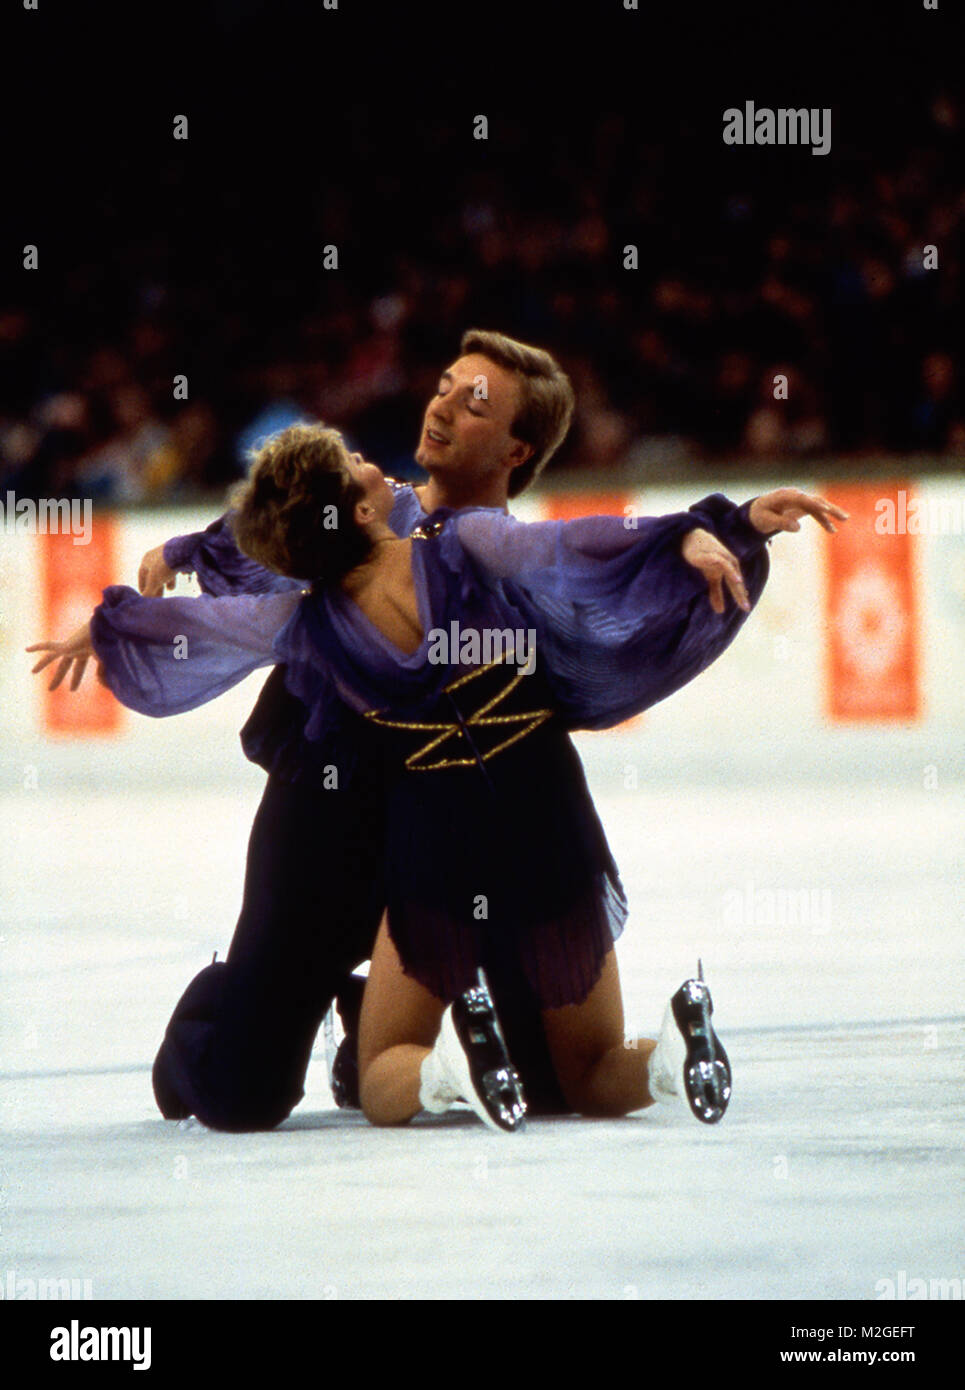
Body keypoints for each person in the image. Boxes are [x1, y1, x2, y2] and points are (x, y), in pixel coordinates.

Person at [30, 412, 847, 1131]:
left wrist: (106, 631)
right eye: (356, 466)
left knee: (390, 1059)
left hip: (437, 833)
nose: (375, 462)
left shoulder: (301, 620)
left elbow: (199, 624)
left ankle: (442, 1071)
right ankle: (668, 1058)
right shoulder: (461, 545)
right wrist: (713, 524)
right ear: (355, 509)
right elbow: (569, 545)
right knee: (588, 1071)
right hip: (546, 817)